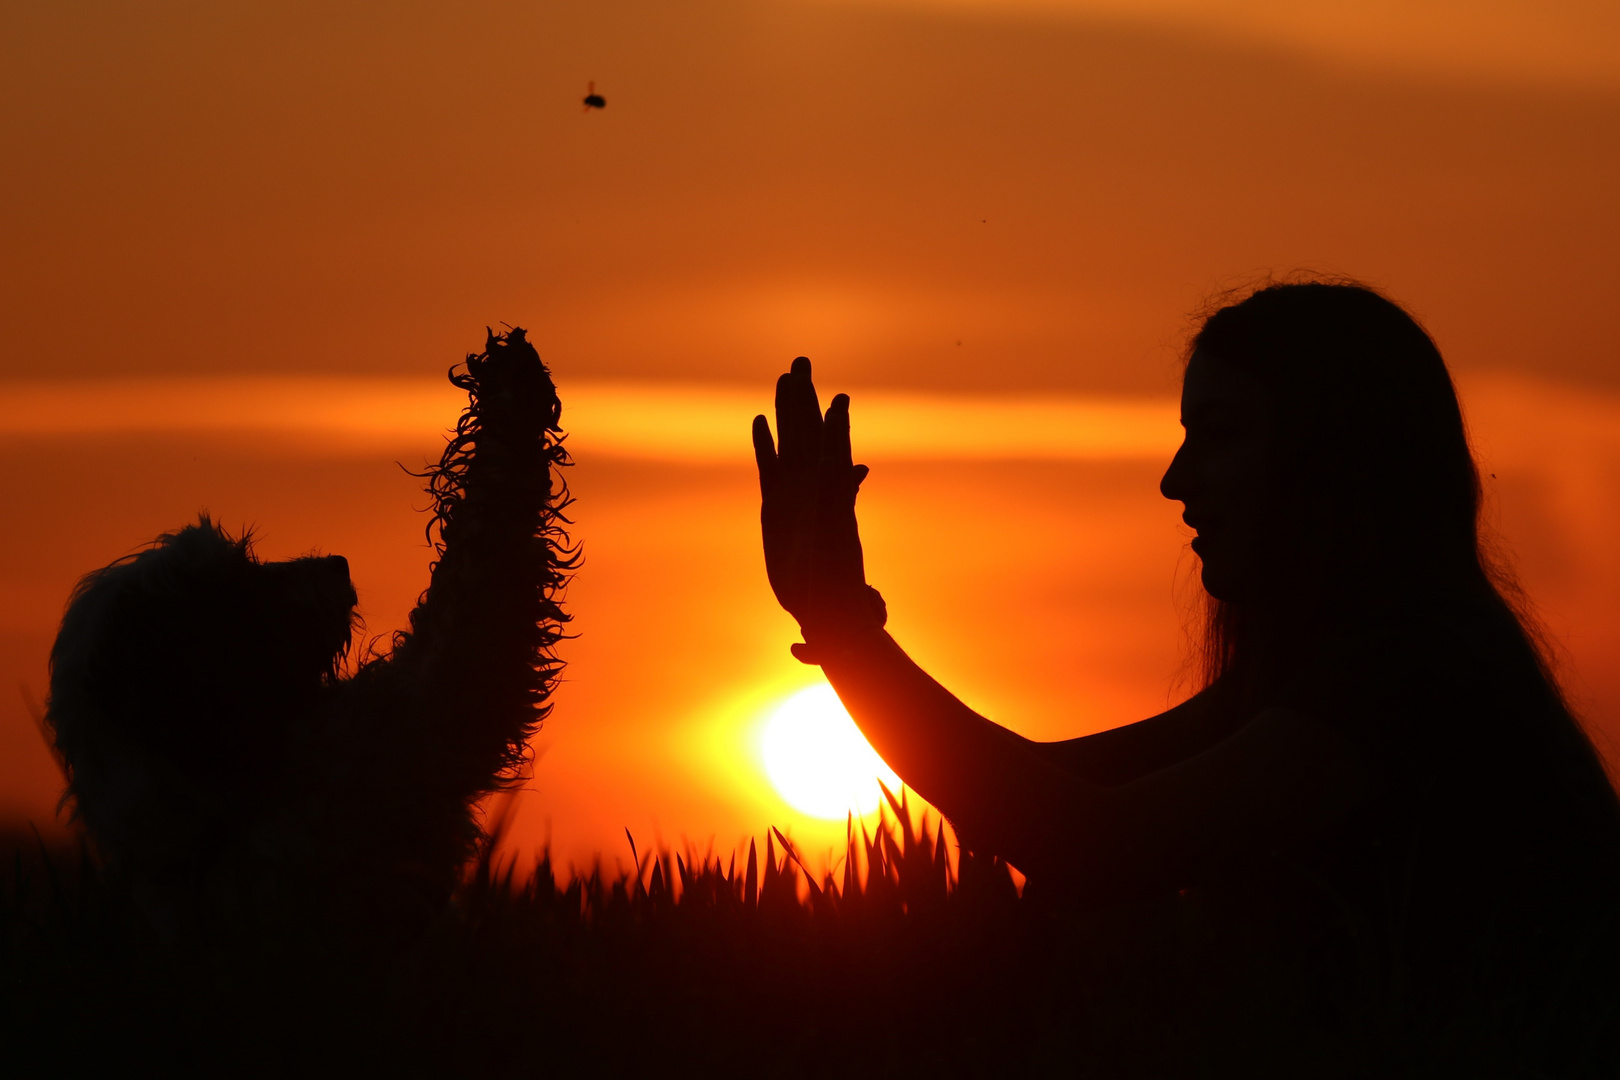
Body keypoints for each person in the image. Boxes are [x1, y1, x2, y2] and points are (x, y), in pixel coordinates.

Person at [752, 280, 1620, 1060]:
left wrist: (847, 632)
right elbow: (1049, 791)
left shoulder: (1411, 674)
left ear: (1338, 457)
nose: (1176, 481)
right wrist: (840, 626)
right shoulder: (1322, 677)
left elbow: (1088, 841)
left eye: (1223, 434)